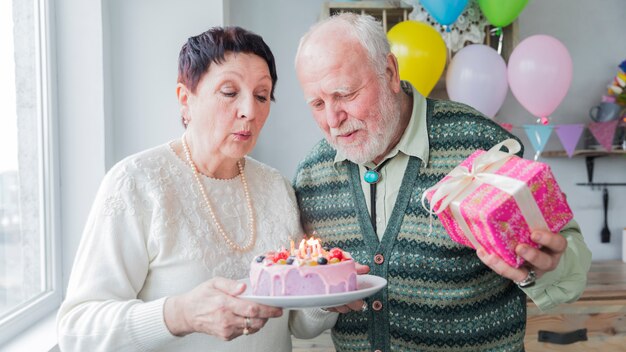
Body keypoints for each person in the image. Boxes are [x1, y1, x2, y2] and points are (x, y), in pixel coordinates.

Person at [292, 13, 592, 351]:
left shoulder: (479, 145)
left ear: (390, 72)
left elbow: (571, 258)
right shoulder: (311, 176)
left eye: (345, 94)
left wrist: (542, 268)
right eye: (317, 104)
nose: (333, 120)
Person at [57, 26, 336, 352]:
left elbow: (299, 324)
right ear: (185, 100)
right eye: (230, 92)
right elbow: (77, 330)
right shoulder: (135, 182)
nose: (250, 110)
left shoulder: (276, 187)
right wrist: (180, 314)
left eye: (262, 95)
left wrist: (329, 297)